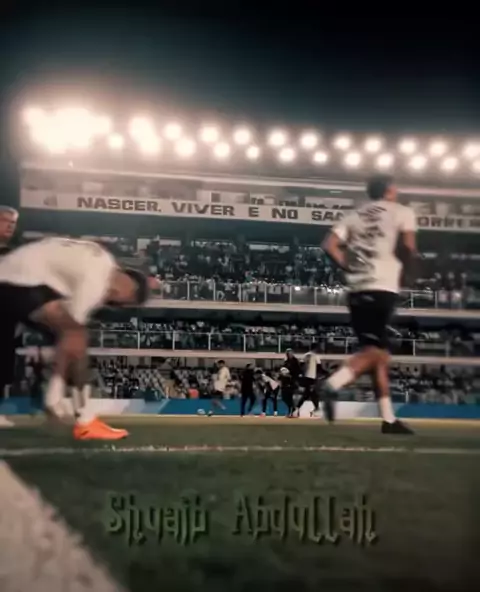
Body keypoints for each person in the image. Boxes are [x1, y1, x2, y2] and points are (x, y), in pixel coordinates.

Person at [0, 236, 151, 440]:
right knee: (77, 334)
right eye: (125, 303)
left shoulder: (103, 261)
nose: (116, 305)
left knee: (60, 334)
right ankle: (85, 421)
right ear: (129, 289)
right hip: (17, 282)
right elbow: (71, 340)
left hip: (18, 276)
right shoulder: (95, 284)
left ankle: (61, 405)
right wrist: (55, 391)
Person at [321, 174, 417, 434]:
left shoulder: (353, 216)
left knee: (377, 353)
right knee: (376, 352)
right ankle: (333, 384)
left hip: (357, 289)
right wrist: (407, 274)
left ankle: (388, 420)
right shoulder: (402, 212)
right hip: (383, 285)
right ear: (389, 190)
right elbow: (408, 247)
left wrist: (348, 267)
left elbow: (329, 245)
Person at [0, 206, 19, 428]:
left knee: (3, 367)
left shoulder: (13, 255)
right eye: (5, 220)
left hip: (6, 319)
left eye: (13, 222)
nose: (10, 226)